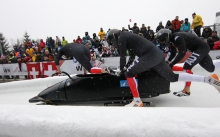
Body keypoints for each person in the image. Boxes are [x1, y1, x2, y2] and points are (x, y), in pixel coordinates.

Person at [106, 29, 220, 107]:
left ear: (114, 36)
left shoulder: (122, 36)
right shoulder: (127, 36)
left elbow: (122, 57)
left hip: (150, 55)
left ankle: (137, 101)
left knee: (129, 73)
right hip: (156, 55)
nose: (112, 44)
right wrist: (124, 67)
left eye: (111, 41)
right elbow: (130, 57)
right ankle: (209, 79)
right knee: (172, 77)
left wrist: (121, 70)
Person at [157, 29, 220, 97]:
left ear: (167, 37)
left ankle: (187, 90)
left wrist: (172, 64)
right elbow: (173, 53)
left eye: (162, 40)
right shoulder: (172, 40)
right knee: (211, 68)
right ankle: (214, 77)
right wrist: (168, 62)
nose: (162, 42)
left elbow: (182, 52)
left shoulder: (177, 37)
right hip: (200, 48)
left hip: (201, 48)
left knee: (187, 66)